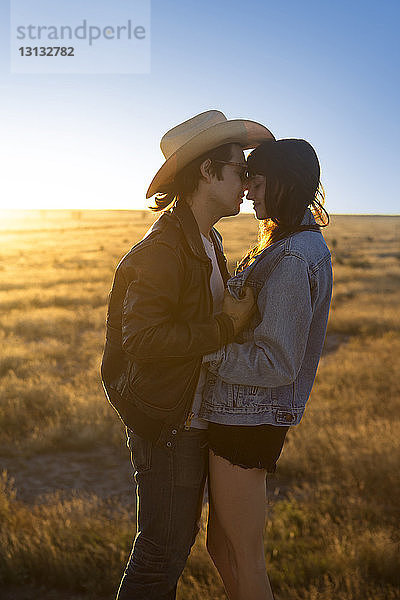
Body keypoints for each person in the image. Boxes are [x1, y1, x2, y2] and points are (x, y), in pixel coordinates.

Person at [101, 109, 274, 600]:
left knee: (171, 551)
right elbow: (144, 340)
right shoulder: (163, 249)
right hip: (170, 422)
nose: (246, 183)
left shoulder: (208, 238)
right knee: (161, 554)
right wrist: (226, 326)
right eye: (239, 169)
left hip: (191, 417)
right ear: (207, 170)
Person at [199, 139, 333, 600]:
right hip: (238, 413)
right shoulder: (282, 241)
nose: (249, 193)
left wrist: (202, 354)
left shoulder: (294, 257)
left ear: (282, 184)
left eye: (256, 183)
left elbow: (277, 361)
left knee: (244, 557)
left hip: (247, 420)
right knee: (221, 546)